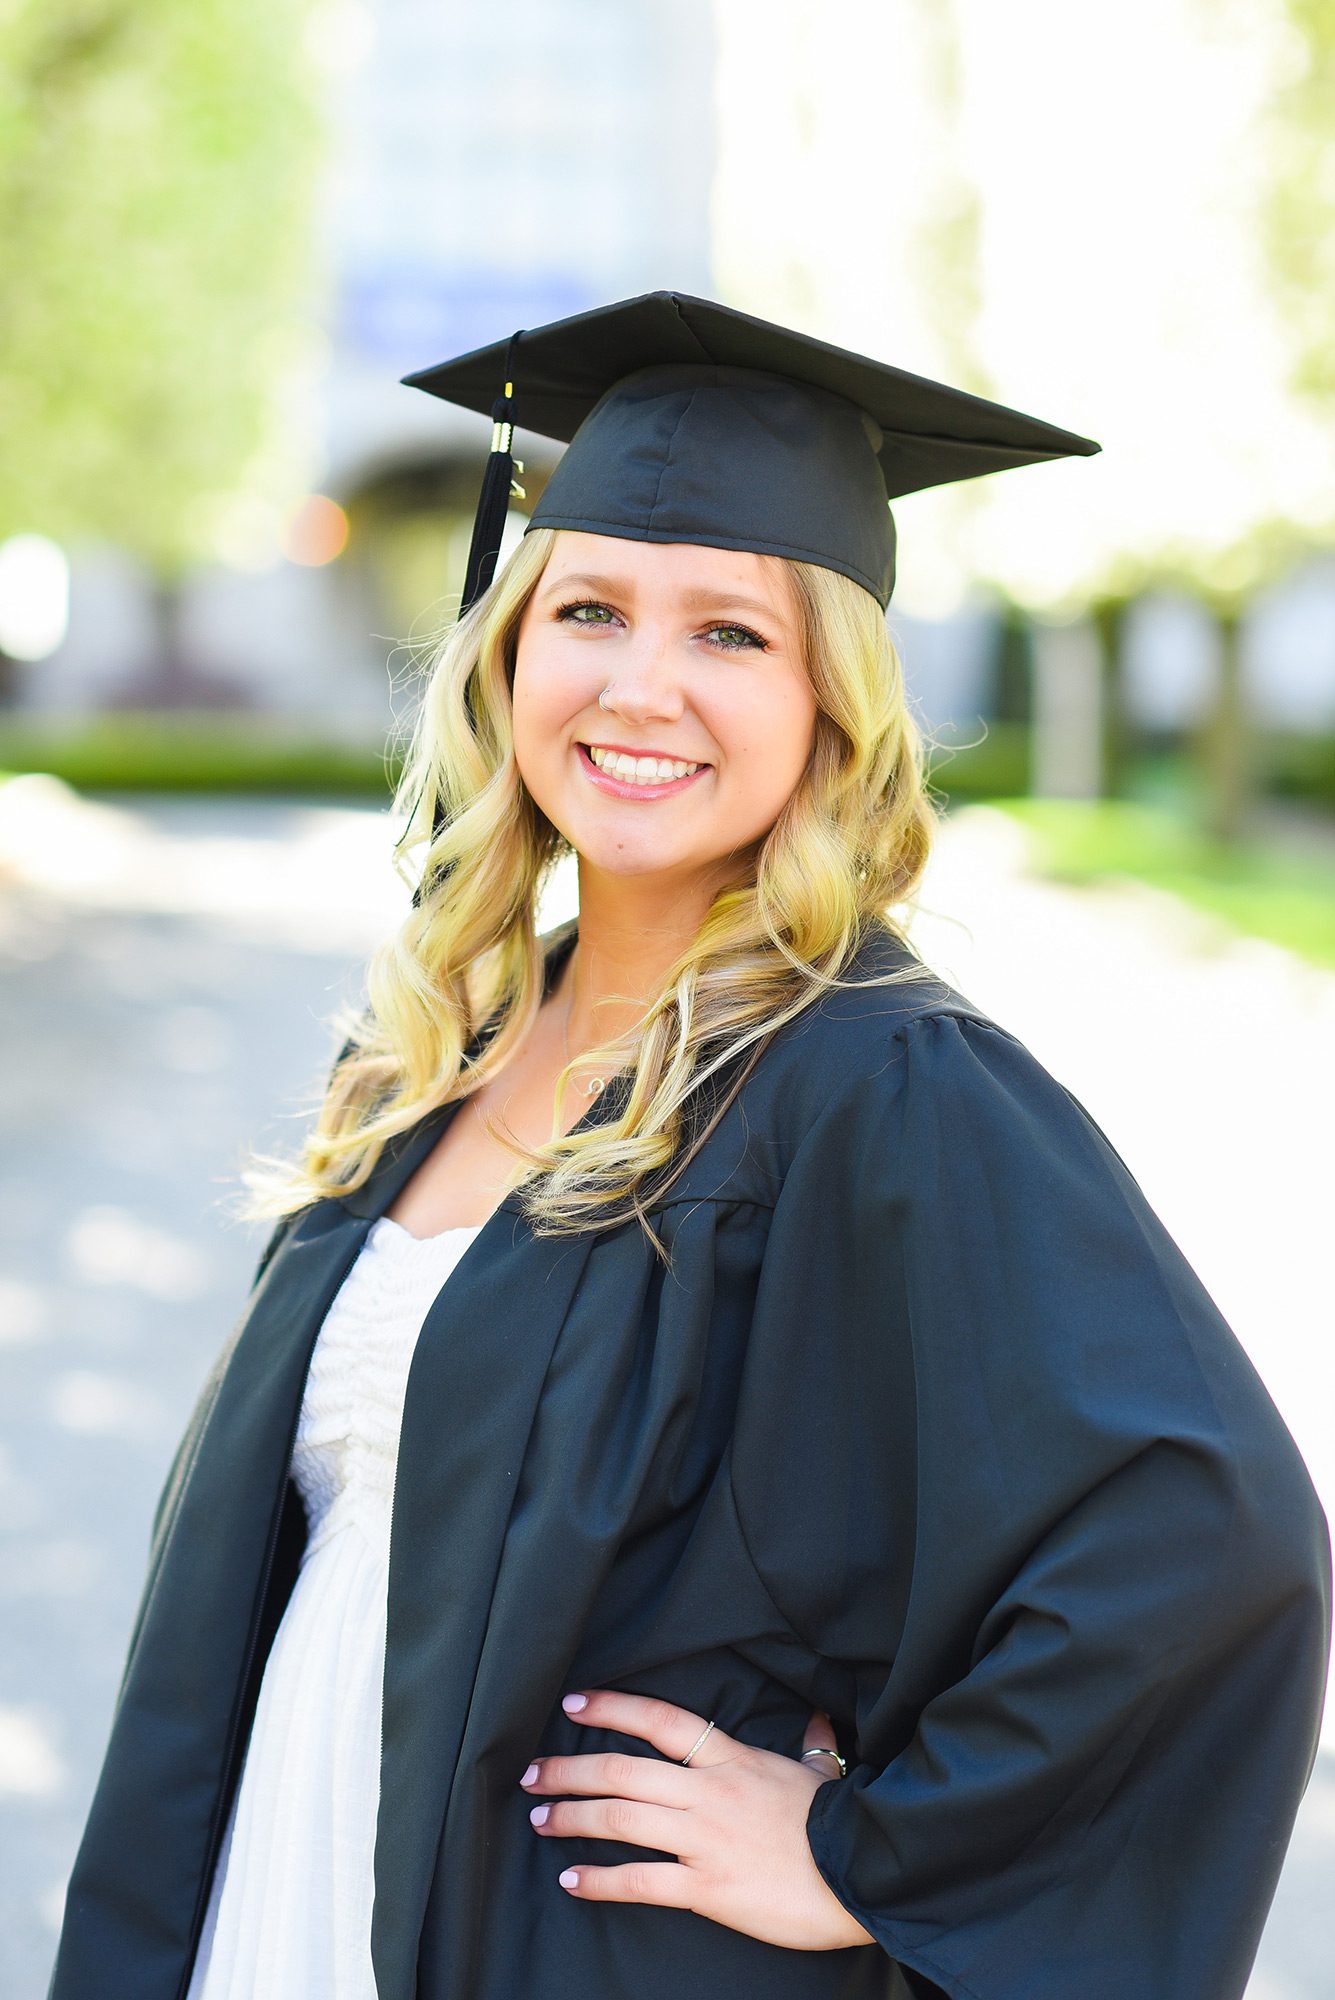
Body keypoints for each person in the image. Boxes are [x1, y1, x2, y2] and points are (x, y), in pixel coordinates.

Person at [48, 292, 1330, 2000]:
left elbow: (1206, 1543)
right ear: (508, 653)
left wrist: (863, 1857)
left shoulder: (884, 1081)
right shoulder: (446, 1043)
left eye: (731, 633)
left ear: (832, 703)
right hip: (289, 1889)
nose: (640, 683)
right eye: (589, 609)